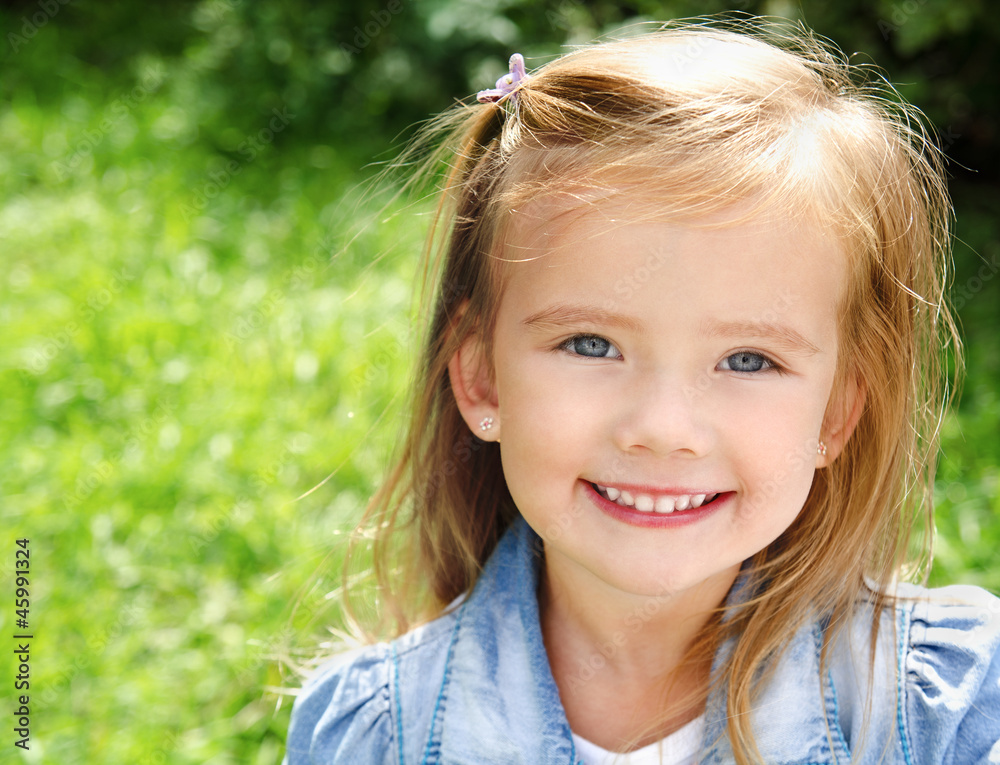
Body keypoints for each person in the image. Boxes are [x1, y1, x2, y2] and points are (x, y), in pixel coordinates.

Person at [284, 17, 1000, 765]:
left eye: (748, 360)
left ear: (839, 411)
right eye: (591, 344)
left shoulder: (948, 712)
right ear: (480, 376)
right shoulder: (368, 735)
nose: (663, 427)